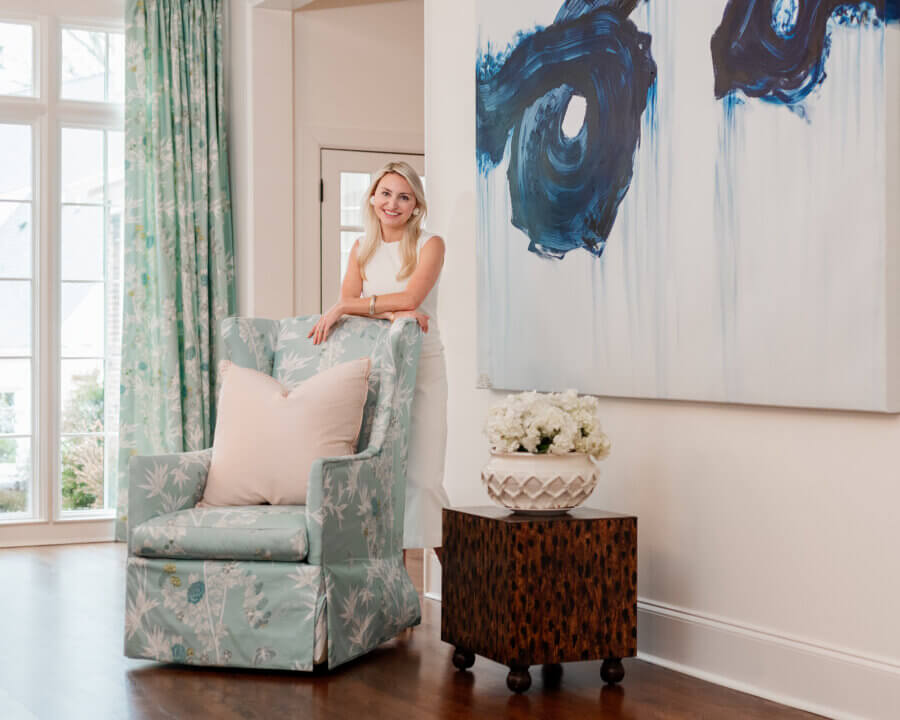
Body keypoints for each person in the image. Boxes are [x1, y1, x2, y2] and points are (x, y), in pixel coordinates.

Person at [309, 161, 449, 562]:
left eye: (404, 196)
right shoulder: (360, 248)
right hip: (376, 368)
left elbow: (406, 300)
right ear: (372, 199)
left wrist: (356, 306)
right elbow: (354, 308)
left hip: (423, 368)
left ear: (415, 205)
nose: (393, 203)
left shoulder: (430, 244)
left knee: (423, 482)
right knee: (385, 483)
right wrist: (388, 315)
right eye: (385, 193)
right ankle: (395, 597)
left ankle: (466, 598)